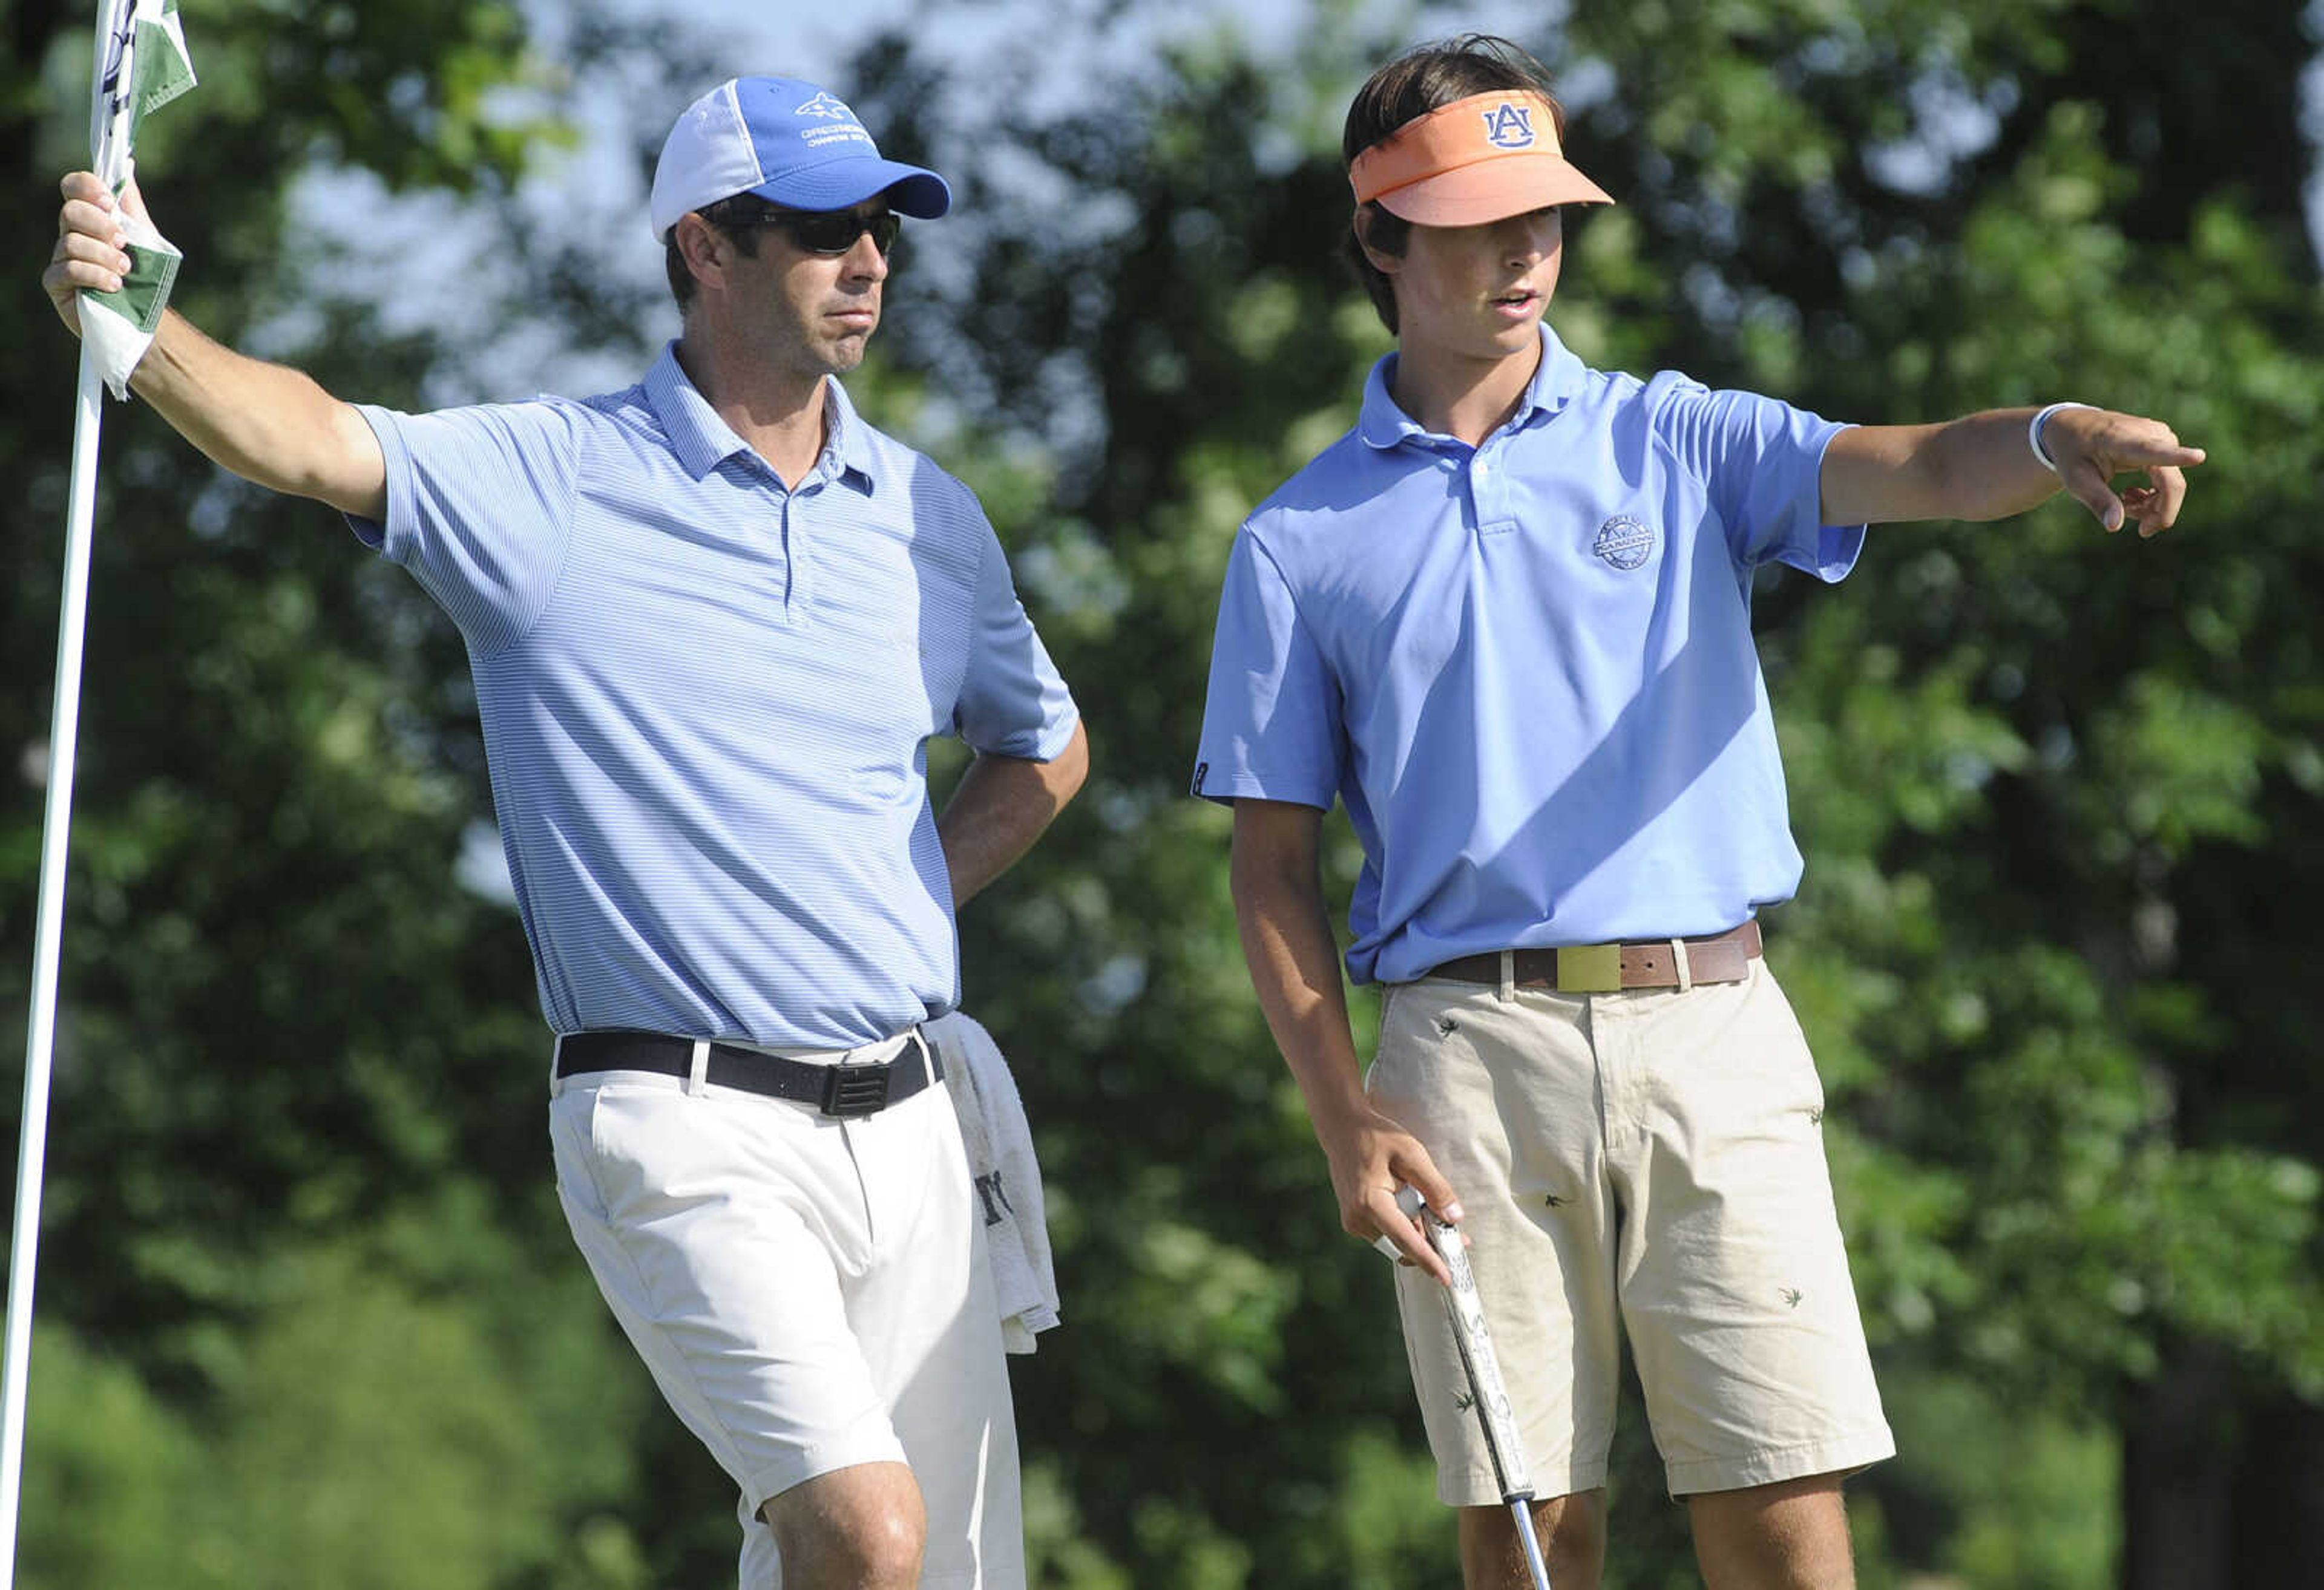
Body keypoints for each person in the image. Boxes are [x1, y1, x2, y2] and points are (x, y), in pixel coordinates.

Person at [45, 74, 1086, 1590]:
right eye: (818, 229)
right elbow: (311, 440)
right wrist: (141, 321)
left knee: (915, 1568)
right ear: (705, 248)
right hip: (683, 1120)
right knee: (866, 1537)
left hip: (919, 1124)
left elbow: (1043, 747)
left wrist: (907, 886)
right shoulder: (555, 478)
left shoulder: (927, 515)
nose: (868, 259)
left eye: (880, 225)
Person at [1191, 33, 2200, 1590]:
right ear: (1380, 233)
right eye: (1475, 219)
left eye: (1544, 215)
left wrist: (2059, 437)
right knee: (1535, 1537)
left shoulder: (1678, 437)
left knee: (1783, 1522)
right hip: (1463, 1060)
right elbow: (1272, 872)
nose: (1524, 251)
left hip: (1711, 1026)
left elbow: (1920, 466)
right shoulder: (1295, 540)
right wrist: (1344, 1114)